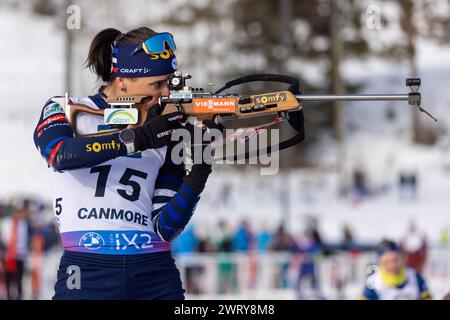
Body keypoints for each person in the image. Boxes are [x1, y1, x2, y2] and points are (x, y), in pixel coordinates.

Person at [33, 27, 212, 300]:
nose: (165, 92)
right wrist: (138, 138)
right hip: (86, 271)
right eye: (157, 84)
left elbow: (166, 227)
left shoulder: (165, 126)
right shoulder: (65, 107)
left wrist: (198, 173)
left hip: (154, 275)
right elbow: (60, 154)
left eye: (170, 82)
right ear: (124, 80)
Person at [361, 239, 431, 300]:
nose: (392, 265)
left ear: (402, 258)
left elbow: (428, 297)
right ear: (380, 263)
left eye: (395, 260)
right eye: (386, 262)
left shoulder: (415, 277)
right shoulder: (374, 283)